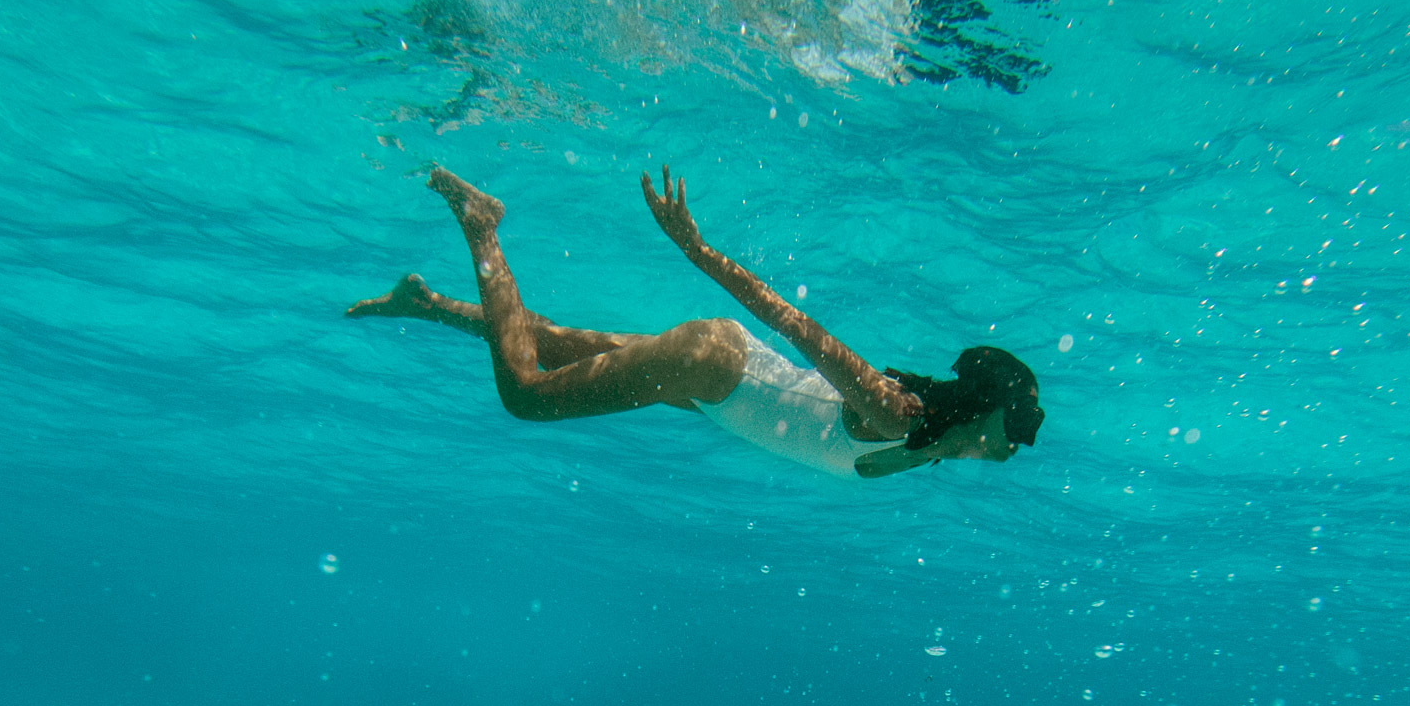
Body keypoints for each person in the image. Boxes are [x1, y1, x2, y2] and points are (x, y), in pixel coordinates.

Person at [348, 167, 1043, 479]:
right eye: (1011, 434)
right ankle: (481, 226)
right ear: (986, 412)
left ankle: (429, 305)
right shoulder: (898, 412)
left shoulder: (923, 446)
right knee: (525, 394)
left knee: (551, 344)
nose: (1011, 451)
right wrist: (697, 250)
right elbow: (799, 327)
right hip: (711, 366)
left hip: (718, 391)